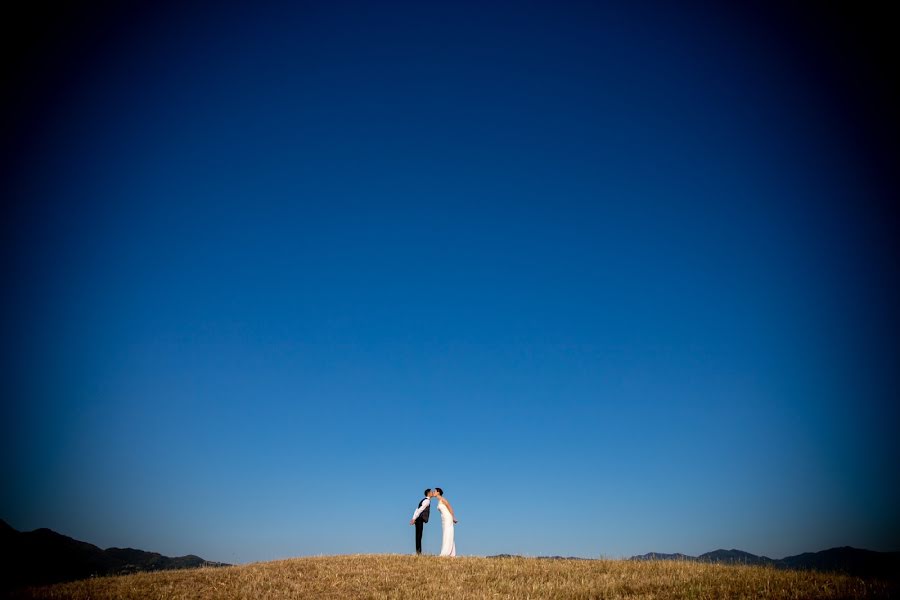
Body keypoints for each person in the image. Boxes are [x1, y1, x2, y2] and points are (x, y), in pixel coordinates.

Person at [434, 487, 457, 557]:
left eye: (434, 491)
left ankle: (445, 552)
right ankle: (451, 552)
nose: (433, 492)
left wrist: (453, 517)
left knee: (447, 533)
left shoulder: (442, 499)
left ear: (438, 492)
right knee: (446, 533)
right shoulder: (438, 500)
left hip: (448, 518)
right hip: (443, 519)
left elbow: (449, 507)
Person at [409, 488, 433, 554]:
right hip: (419, 519)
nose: (432, 493)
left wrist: (413, 518)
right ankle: (419, 552)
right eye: (431, 492)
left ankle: (418, 551)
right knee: (419, 535)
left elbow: (416, 509)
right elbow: (420, 509)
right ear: (428, 493)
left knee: (418, 535)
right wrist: (414, 519)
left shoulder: (424, 500)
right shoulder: (427, 501)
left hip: (418, 519)